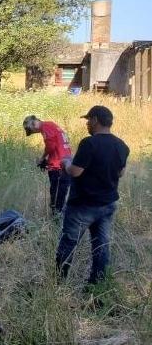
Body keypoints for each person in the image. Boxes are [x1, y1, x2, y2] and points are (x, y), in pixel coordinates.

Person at [58, 106, 129, 286]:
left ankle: (58, 282)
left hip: (83, 205)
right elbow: (120, 173)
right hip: (108, 205)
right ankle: (97, 285)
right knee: (101, 245)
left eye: (88, 120)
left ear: (96, 119)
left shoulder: (89, 143)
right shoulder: (122, 146)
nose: (87, 124)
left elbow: (75, 171)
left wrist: (66, 162)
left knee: (69, 243)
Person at [23, 115, 73, 215]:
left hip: (58, 165)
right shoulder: (51, 125)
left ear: (34, 123)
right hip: (66, 162)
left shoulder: (46, 127)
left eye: (31, 130)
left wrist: (42, 158)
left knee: (56, 195)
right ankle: (60, 215)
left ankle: (57, 217)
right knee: (61, 194)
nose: (34, 132)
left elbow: (51, 146)